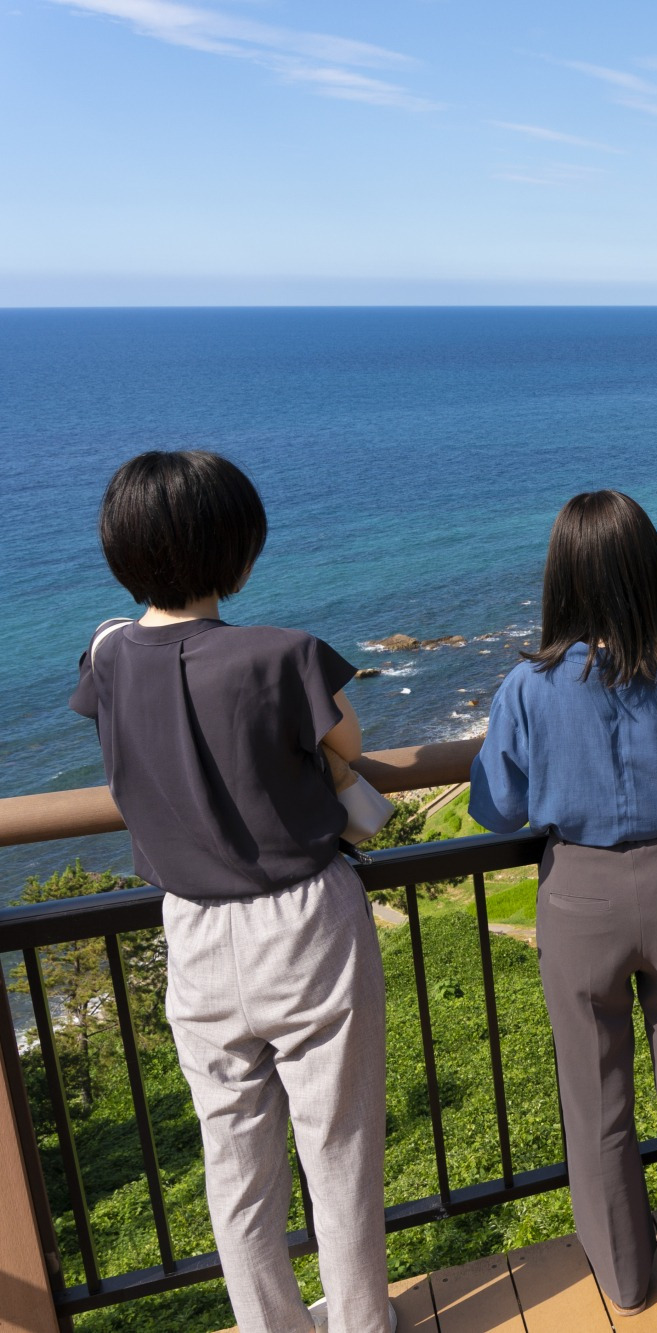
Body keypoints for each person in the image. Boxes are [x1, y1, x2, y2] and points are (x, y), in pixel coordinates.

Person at [72, 452, 393, 1333]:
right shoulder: (282, 655)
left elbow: (121, 664)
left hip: (194, 931)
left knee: (235, 1163)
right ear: (238, 552)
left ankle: (270, 1325)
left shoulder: (107, 663)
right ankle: (364, 1323)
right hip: (305, 923)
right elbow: (348, 737)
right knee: (338, 1150)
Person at [470, 491, 657, 1314]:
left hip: (579, 894)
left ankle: (625, 1281)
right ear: (652, 575)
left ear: (560, 579)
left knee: (596, 1095)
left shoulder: (526, 688)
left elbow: (497, 807)